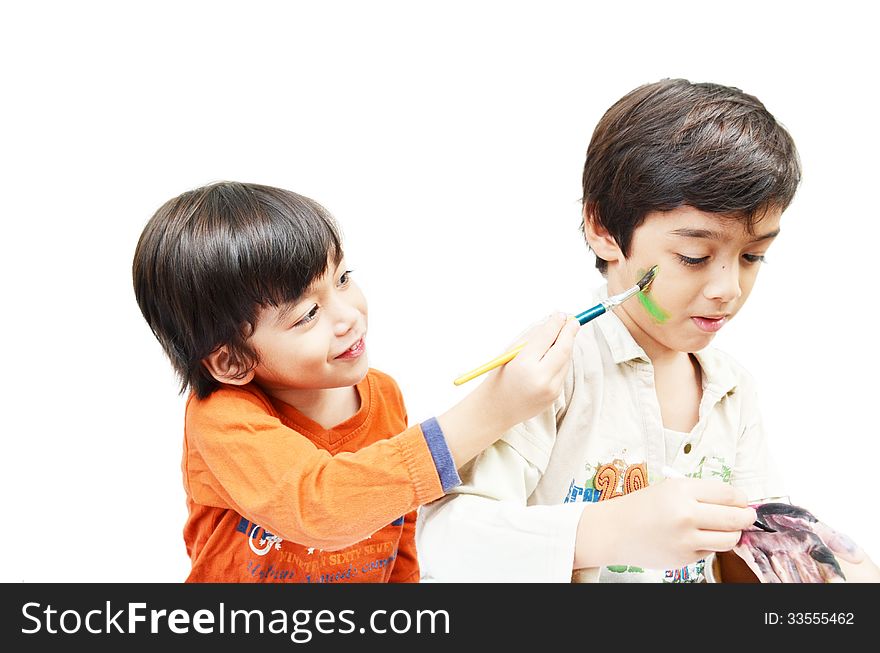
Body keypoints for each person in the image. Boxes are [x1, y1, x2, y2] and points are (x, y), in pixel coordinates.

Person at [416, 78, 879, 583]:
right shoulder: (551, 369)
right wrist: (602, 531)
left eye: (753, 256)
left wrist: (802, 562)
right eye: (694, 257)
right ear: (604, 231)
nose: (728, 287)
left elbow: (744, 554)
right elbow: (445, 542)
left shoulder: (732, 391)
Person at [132, 181, 578, 583]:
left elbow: (401, 531)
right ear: (230, 362)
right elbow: (322, 506)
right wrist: (492, 411)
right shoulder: (222, 420)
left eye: (342, 279)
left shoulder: (382, 394)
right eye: (308, 314)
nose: (348, 317)